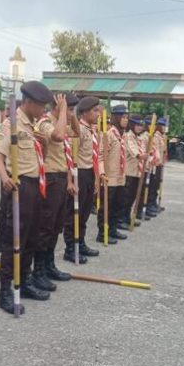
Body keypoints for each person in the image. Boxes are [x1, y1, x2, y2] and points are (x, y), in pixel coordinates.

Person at [0, 81, 56, 313]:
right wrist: (4, 178)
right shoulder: (12, 123)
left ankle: (25, 279)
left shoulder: (32, 126)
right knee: (14, 240)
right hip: (19, 186)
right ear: (29, 103)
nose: (44, 111)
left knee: (31, 237)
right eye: (41, 106)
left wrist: (44, 145)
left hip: (36, 186)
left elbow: (42, 158)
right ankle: (5, 290)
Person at [32, 92, 78, 291]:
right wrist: (62, 111)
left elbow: (77, 132)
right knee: (45, 227)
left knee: (56, 226)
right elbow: (58, 136)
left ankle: (49, 265)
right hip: (50, 179)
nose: (71, 113)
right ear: (58, 108)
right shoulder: (45, 123)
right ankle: (38, 271)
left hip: (60, 178)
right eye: (70, 109)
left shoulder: (61, 121)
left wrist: (70, 112)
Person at [63, 96, 102, 263]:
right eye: (95, 111)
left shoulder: (92, 130)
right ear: (85, 113)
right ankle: (71, 247)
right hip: (78, 172)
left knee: (85, 212)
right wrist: (70, 180)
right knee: (75, 213)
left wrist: (96, 179)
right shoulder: (78, 129)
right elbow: (71, 156)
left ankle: (81, 242)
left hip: (89, 173)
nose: (98, 114)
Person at [97, 104, 128, 243]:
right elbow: (101, 155)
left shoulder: (123, 135)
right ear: (116, 117)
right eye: (123, 117)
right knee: (106, 206)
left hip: (120, 177)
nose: (126, 120)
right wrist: (102, 173)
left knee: (117, 204)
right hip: (109, 177)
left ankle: (113, 229)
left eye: (127, 117)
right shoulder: (109, 134)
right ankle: (102, 233)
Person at [122, 115, 145, 228]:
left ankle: (127, 217)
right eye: (137, 125)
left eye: (141, 125)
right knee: (126, 197)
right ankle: (122, 219)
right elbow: (134, 151)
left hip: (137, 172)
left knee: (132, 197)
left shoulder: (138, 138)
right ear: (132, 125)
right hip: (128, 172)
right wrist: (141, 155)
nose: (139, 127)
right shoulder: (128, 137)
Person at [146, 117, 167, 218]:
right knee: (151, 185)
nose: (163, 127)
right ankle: (149, 204)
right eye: (162, 125)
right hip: (153, 164)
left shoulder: (161, 136)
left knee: (156, 184)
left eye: (164, 125)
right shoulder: (155, 136)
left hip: (159, 163)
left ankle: (153, 203)